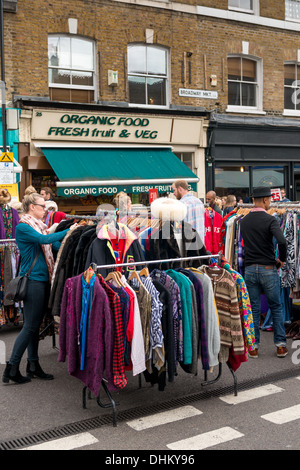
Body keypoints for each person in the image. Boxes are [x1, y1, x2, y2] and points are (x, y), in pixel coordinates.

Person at [2, 193, 76, 384]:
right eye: (42, 206)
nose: (45, 210)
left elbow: (54, 244)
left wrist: (72, 241)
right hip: (33, 281)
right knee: (29, 327)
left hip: (42, 281)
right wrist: (70, 230)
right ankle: (11, 367)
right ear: (31, 207)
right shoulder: (23, 227)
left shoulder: (40, 228)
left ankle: (33, 365)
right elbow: (45, 241)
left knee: (34, 327)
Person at [240, 186, 288, 359]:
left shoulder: (243, 221)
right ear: (266, 200)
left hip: (250, 269)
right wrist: (281, 259)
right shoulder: (270, 220)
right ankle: (280, 346)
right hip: (268, 268)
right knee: (276, 307)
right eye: (270, 200)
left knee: (253, 309)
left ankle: (253, 347)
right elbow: (282, 241)